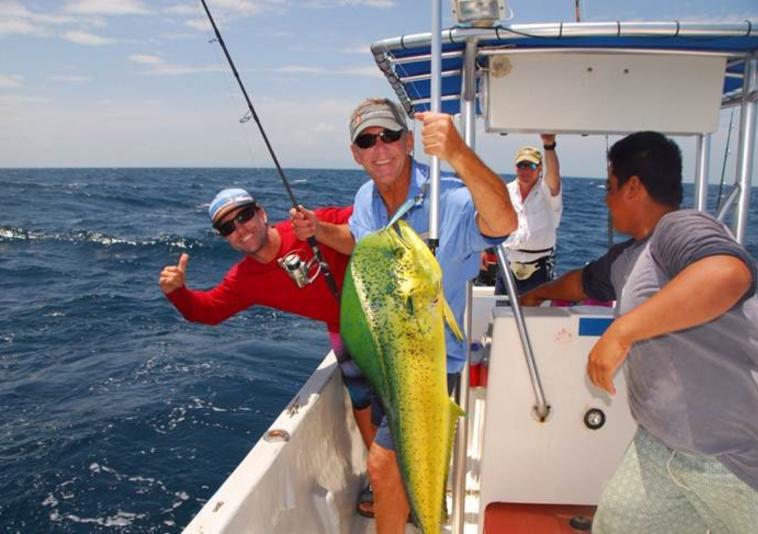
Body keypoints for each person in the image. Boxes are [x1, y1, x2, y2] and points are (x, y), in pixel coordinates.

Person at [520, 131, 758, 533]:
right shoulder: (628, 258)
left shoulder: (681, 228)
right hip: (658, 447)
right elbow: (582, 282)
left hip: (732, 458)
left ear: (634, 186)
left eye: (611, 186)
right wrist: (535, 295)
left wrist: (621, 333)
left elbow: (728, 273)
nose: (604, 199)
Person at [292, 97, 516, 533]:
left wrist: (458, 153)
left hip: (428, 367)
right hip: (386, 358)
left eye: (390, 135)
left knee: (382, 465)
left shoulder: (447, 199)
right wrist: (319, 230)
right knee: (398, 467)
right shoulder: (365, 197)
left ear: (409, 140)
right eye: (367, 141)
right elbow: (361, 243)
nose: (381, 148)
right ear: (356, 154)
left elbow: (503, 224)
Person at [158, 189, 377, 449]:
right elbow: (206, 312)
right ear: (224, 238)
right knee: (361, 397)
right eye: (228, 227)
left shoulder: (312, 222)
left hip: (384, 313)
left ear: (262, 214)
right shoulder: (244, 280)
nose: (240, 228)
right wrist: (177, 293)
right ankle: (378, 467)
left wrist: (320, 229)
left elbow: (374, 214)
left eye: (245, 216)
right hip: (342, 330)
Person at [494, 135, 562, 295]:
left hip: (539, 270)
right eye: (521, 165)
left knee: (538, 319)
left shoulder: (548, 192)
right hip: (506, 266)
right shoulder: (505, 191)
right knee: (500, 316)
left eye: (530, 165)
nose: (525, 170)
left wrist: (549, 146)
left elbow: (554, 179)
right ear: (515, 167)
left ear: (540, 168)